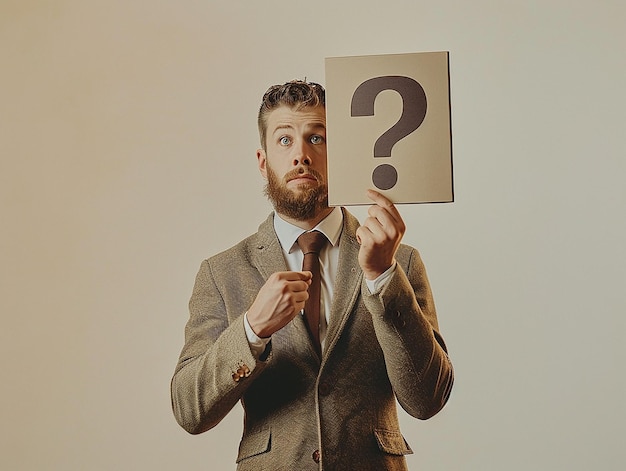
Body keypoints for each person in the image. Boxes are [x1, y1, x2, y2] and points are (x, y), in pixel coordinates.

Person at [171, 80, 453, 470]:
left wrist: (382, 278)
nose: (301, 155)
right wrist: (252, 329)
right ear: (262, 159)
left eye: (317, 138)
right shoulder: (222, 273)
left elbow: (428, 399)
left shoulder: (399, 262)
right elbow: (189, 410)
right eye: (284, 141)